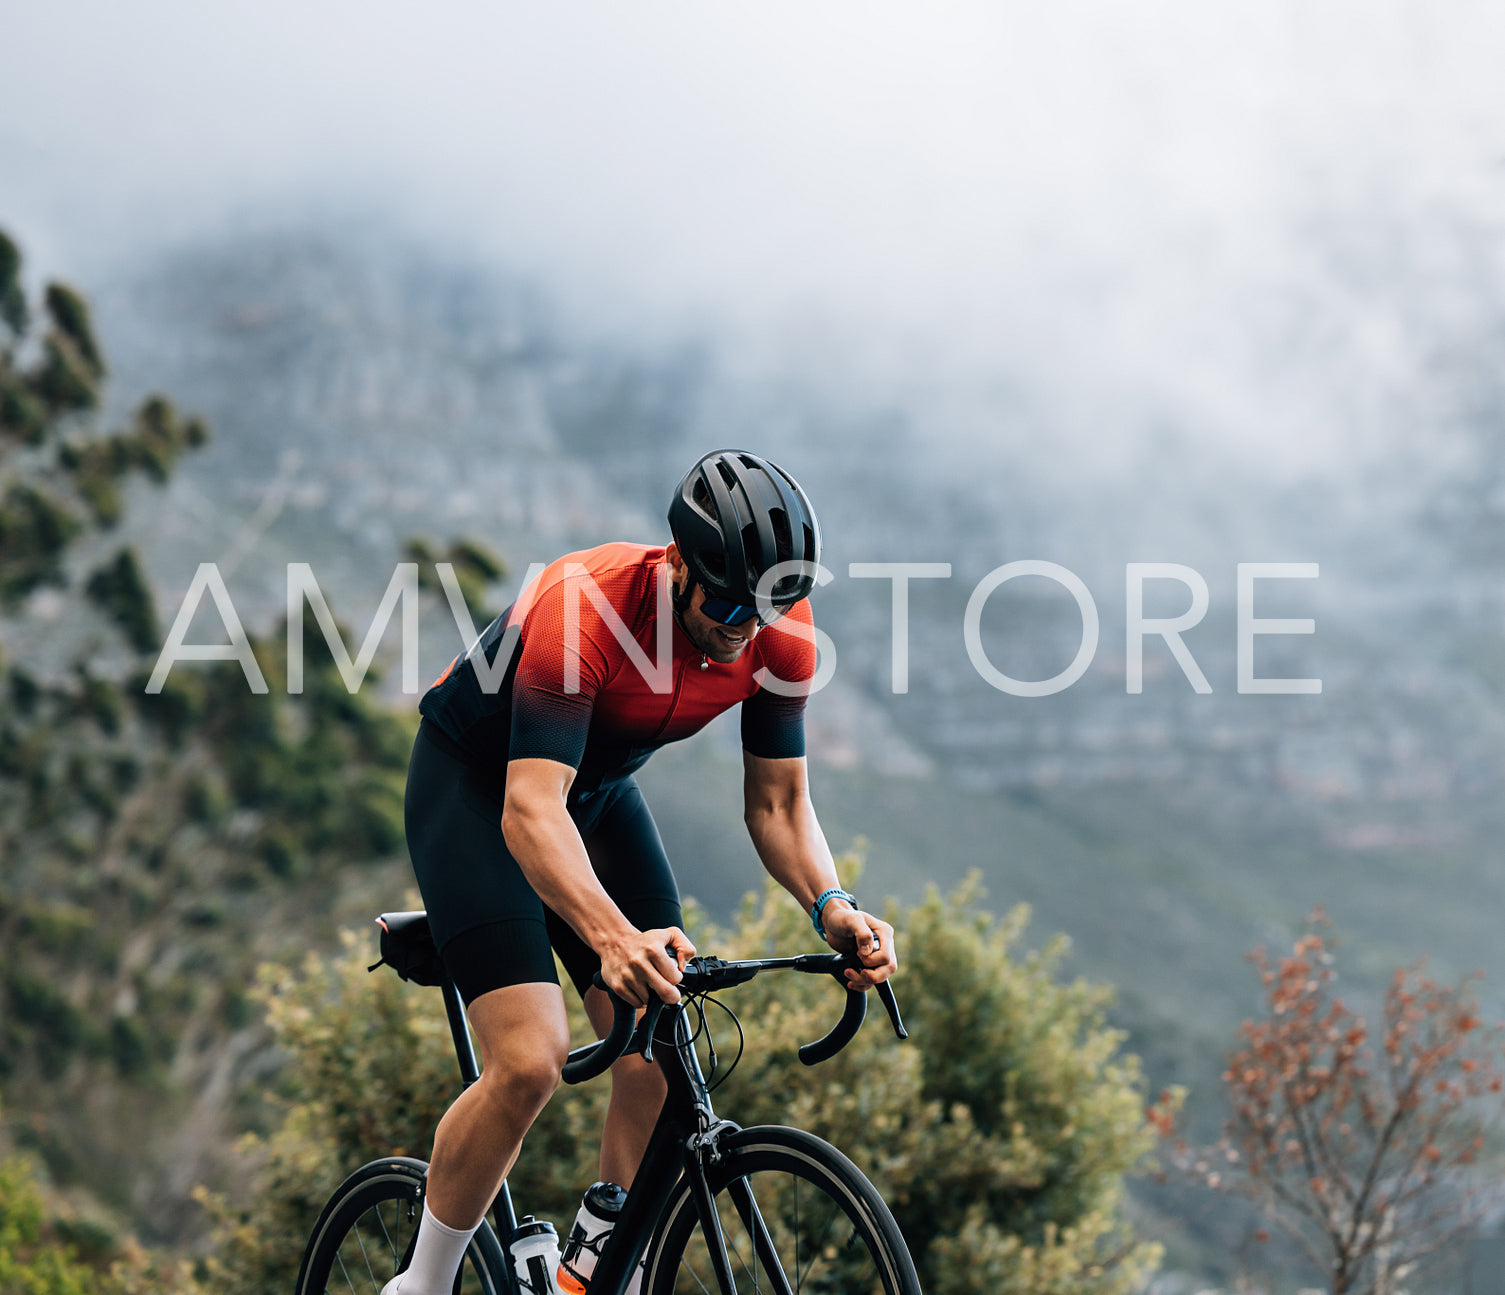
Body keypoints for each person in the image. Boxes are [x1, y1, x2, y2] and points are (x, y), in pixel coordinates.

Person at [386, 448, 898, 1295]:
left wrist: (832, 905)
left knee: (660, 1039)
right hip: (480, 790)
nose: (745, 624)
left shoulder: (780, 635)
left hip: (594, 791)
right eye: (728, 600)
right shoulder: (581, 607)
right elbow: (528, 810)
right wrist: (611, 936)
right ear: (675, 563)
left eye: (769, 604)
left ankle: (591, 1271)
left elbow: (776, 804)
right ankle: (423, 1283)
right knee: (530, 1060)